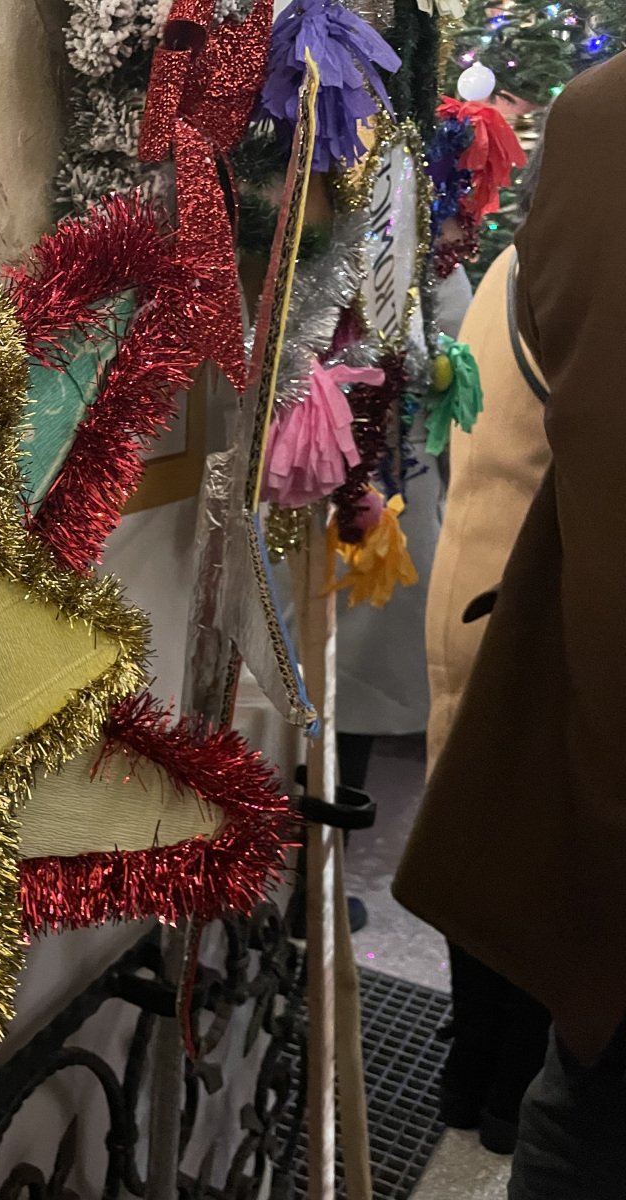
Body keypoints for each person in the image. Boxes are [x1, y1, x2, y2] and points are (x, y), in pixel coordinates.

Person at [395, 59, 626, 1196]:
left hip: (499, 618)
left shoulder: (509, 269)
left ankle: (475, 1091)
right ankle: (482, 1094)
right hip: (536, 640)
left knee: (499, 872)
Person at [424, 224, 553, 1153]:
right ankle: (510, 1091)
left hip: (466, 578)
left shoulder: (510, 264)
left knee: (469, 838)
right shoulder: (584, 269)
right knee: (535, 860)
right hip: (529, 604)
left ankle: (469, 1076)